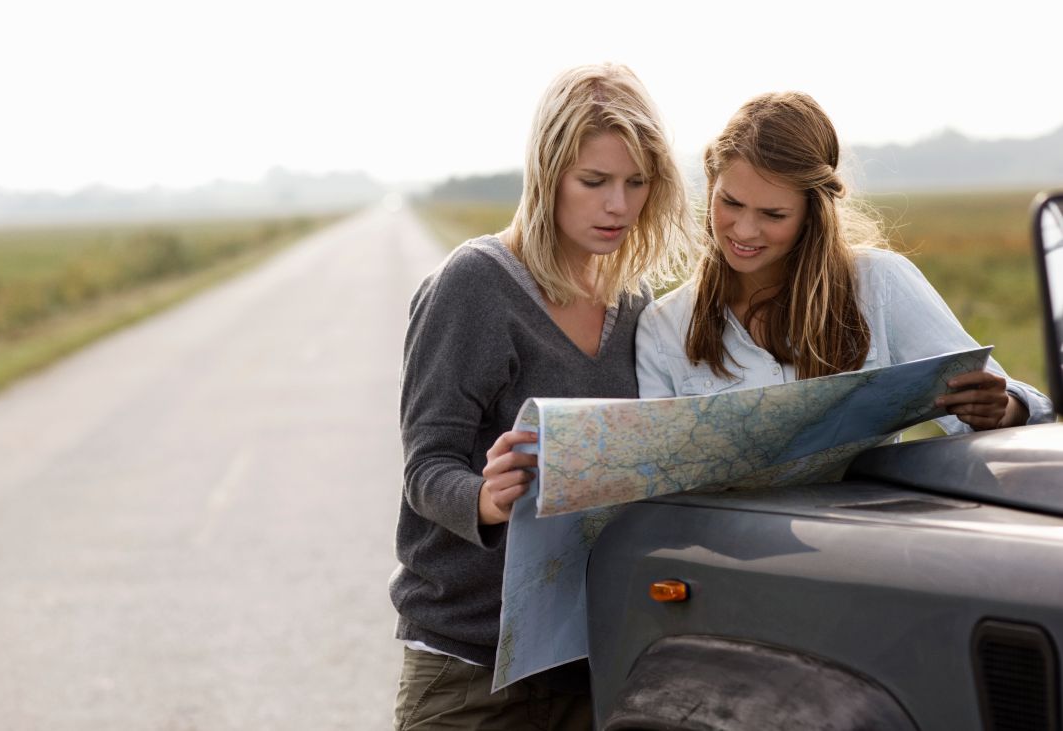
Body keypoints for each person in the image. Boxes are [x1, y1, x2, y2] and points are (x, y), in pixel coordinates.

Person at [390, 63, 694, 729]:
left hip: (592, 663)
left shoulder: (637, 305)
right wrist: (485, 496)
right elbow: (425, 468)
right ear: (547, 172)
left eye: (636, 183)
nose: (618, 205)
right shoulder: (474, 286)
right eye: (594, 181)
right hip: (468, 671)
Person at [635, 91, 1053, 429]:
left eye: (773, 215)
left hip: (861, 531)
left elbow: (1016, 405)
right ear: (711, 183)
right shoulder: (663, 329)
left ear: (813, 214)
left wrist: (1002, 408)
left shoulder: (880, 285)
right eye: (731, 202)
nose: (743, 230)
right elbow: (660, 484)